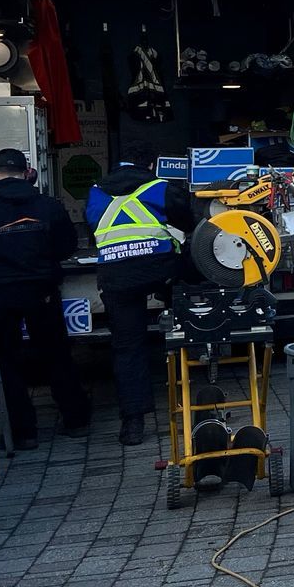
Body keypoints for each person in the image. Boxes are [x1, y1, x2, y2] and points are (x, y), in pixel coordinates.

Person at [0, 148, 89, 448]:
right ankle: (76, 420)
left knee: (6, 361)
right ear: (29, 173)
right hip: (42, 291)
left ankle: (22, 432)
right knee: (56, 355)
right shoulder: (49, 206)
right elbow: (66, 247)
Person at [86, 150, 194, 447]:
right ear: (150, 165)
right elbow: (188, 223)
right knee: (185, 326)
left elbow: (93, 228)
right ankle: (194, 395)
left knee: (127, 348)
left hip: (117, 277)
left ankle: (133, 424)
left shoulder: (96, 193)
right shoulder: (160, 187)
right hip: (160, 271)